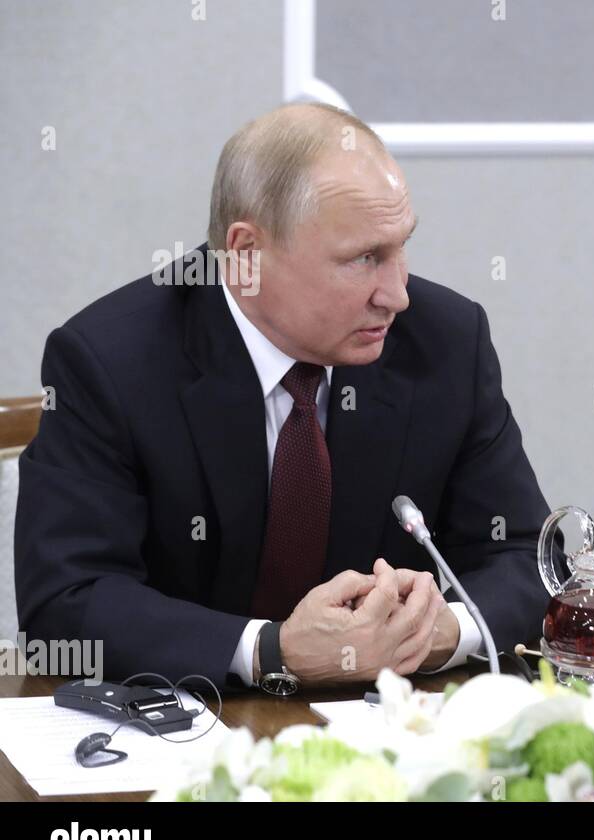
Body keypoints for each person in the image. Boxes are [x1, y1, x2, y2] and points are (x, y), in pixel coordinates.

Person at [16, 103, 554, 691]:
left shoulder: (445, 340)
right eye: (365, 258)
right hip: (191, 737)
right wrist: (272, 650)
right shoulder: (109, 361)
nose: (396, 295)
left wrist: (442, 629)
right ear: (246, 254)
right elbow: (64, 605)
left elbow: (528, 555)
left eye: (402, 248)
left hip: (388, 734)